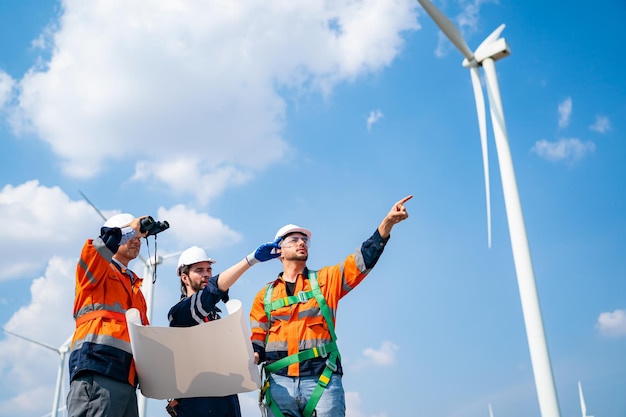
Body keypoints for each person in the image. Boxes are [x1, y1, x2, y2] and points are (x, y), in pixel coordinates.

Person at [250, 195, 412, 417]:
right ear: (278, 251)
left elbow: (361, 260)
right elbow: (257, 340)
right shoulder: (265, 296)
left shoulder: (326, 280)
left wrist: (387, 223)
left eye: (303, 240)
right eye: (294, 239)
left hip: (322, 379)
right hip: (279, 386)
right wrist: (252, 357)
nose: (301, 243)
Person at [166, 241, 282, 417]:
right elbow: (213, 289)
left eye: (208, 270)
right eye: (199, 270)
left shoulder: (215, 316)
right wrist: (251, 260)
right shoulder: (180, 312)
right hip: (197, 400)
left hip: (225, 398)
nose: (206, 275)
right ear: (184, 277)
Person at [67, 213, 154, 417]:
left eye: (140, 237)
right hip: (98, 370)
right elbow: (98, 247)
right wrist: (131, 228)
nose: (137, 240)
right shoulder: (97, 271)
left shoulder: (136, 289)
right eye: (132, 236)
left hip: (127, 379)